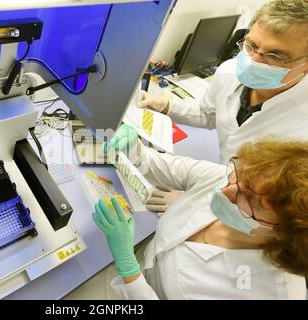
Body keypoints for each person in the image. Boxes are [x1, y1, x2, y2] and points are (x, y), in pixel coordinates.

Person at [94, 126, 308, 299]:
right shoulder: (235, 181)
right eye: (240, 175)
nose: (226, 191)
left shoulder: (271, 292)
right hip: (143, 268)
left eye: (250, 199)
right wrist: (134, 150)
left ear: (285, 233)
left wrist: (130, 272)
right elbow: (168, 168)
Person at [139, 0, 308, 164]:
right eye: (251, 45)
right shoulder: (229, 71)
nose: (254, 61)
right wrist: (165, 105)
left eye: (275, 56)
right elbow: (209, 114)